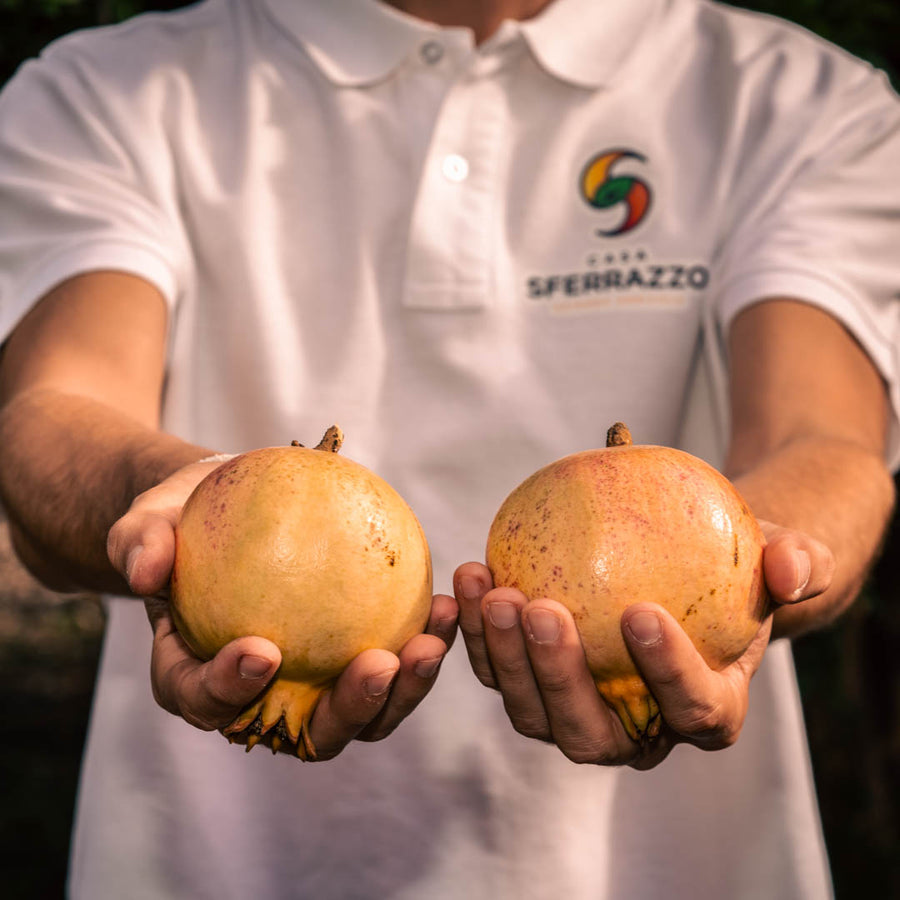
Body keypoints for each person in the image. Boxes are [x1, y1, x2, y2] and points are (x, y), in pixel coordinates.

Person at [0, 0, 897, 896]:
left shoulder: (797, 100)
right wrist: (179, 500)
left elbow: (822, 437)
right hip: (196, 866)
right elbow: (56, 404)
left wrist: (767, 564)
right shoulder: (107, 89)